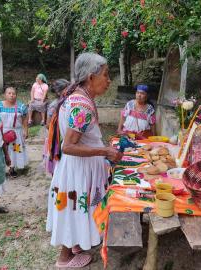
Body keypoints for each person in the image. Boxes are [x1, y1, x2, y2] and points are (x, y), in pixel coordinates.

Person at [46, 52, 123, 268]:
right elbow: (69, 146)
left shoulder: (77, 96)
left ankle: (76, 244)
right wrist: (104, 152)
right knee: (74, 208)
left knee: (77, 208)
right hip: (78, 168)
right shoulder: (82, 105)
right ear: (91, 77)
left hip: (77, 167)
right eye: (106, 75)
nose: (109, 80)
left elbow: (82, 136)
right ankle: (64, 258)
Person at [0, 87, 28, 178]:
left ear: (16, 95)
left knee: (15, 150)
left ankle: (12, 168)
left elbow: (25, 119)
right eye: (9, 93)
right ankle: (1, 169)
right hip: (1, 132)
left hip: (16, 133)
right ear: (5, 95)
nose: (11, 95)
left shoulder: (21, 107)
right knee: (2, 150)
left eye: (13, 93)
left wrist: (25, 130)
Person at [43, 79, 69, 176]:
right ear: (59, 92)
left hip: (64, 137)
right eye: (67, 89)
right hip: (56, 138)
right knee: (56, 164)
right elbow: (48, 124)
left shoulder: (68, 103)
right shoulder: (54, 105)